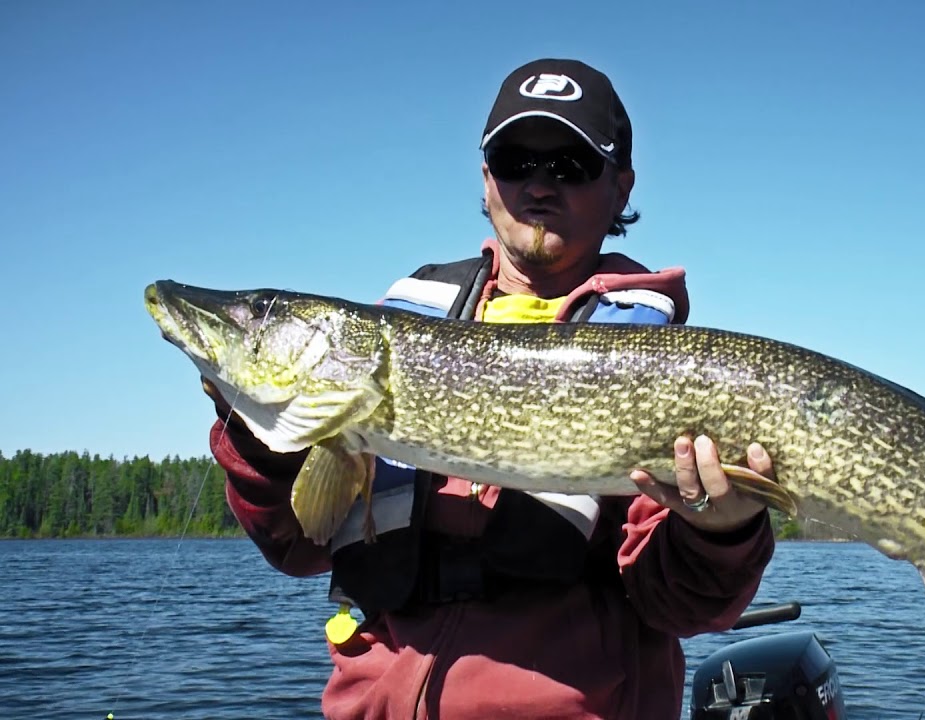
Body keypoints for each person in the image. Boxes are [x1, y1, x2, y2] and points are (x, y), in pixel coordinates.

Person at [206, 58, 776, 720]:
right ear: (486, 178)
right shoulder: (395, 330)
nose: (538, 184)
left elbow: (681, 603)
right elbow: (298, 543)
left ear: (620, 188)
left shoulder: (653, 359)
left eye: (570, 164)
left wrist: (723, 533)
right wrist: (260, 436)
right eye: (515, 160)